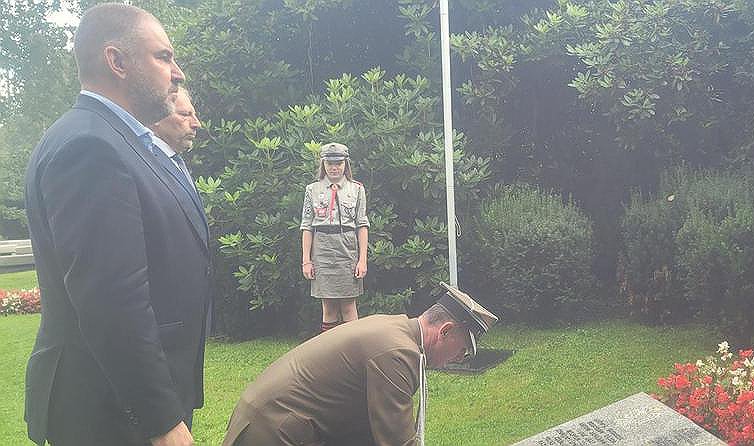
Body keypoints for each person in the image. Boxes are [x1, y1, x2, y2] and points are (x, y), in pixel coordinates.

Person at [23, 4, 208, 446]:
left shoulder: (121, 140)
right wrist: (161, 419)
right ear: (117, 61)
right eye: (163, 57)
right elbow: (111, 299)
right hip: (110, 411)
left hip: (124, 399)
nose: (177, 72)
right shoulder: (90, 147)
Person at [221, 283, 498, 446]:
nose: (458, 358)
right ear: (445, 331)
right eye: (462, 350)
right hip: (275, 431)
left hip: (279, 421)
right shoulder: (399, 353)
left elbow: (369, 427)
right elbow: (396, 440)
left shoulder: (396, 329)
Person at [300, 142, 370, 333]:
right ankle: (330, 349)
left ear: (345, 163)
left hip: (347, 248)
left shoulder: (356, 189)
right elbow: (307, 226)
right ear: (323, 164)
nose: (334, 167)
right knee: (328, 307)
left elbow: (362, 225)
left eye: (338, 163)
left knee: (348, 306)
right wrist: (306, 261)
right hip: (322, 249)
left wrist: (362, 260)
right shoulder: (312, 190)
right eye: (329, 163)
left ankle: (353, 348)